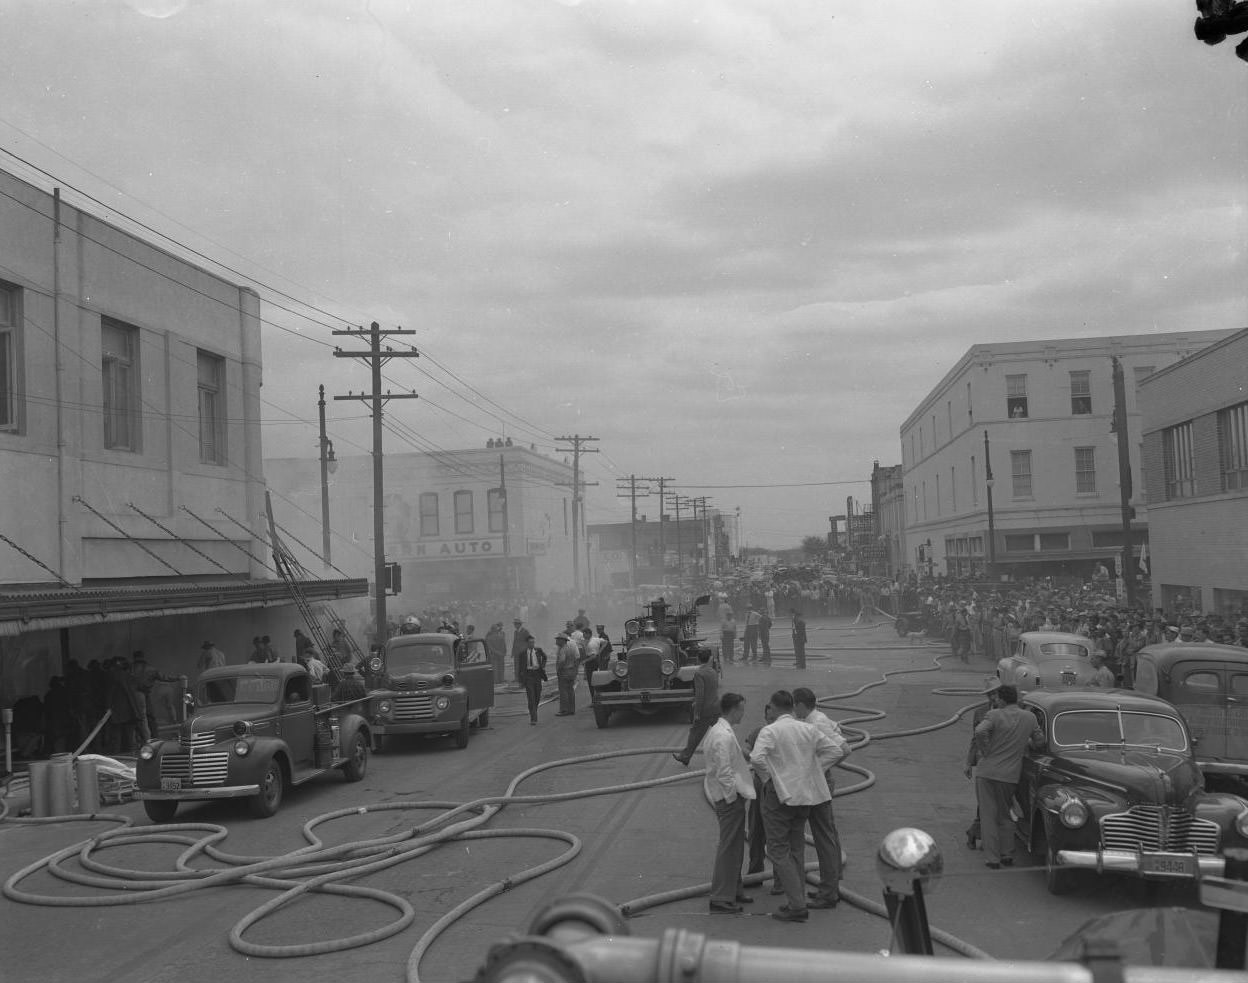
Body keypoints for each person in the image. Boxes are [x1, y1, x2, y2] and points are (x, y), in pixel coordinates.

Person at [750, 690, 847, 922]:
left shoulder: (770, 730)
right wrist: (809, 771)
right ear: (792, 707)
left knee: (777, 849)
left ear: (773, 708)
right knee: (796, 847)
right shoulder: (808, 728)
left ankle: (796, 904)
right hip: (805, 796)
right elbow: (836, 750)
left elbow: (756, 758)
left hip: (781, 795)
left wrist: (769, 780)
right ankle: (799, 898)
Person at [790, 687, 851, 907]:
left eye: (794, 705)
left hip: (819, 783)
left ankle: (829, 892)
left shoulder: (816, 723)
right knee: (827, 834)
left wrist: (816, 769)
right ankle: (830, 883)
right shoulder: (818, 718)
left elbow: (843, 749)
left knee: (823, 835)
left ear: (799, 704)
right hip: (821, 780)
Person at [973, 684, 1044, 869]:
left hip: (987, 772)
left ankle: (993, 859)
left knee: (989, 815)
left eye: (997, 698)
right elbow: (1040, 740)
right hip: (1010, 774)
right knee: (1006, 814)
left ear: (1002, 700)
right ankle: (1007, 854)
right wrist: (1026, 742)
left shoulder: (995, 715)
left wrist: (986, 749)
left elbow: (980, 731)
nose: (995, 701)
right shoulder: (1029, 717)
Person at [703, 692, 756, 914]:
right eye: (742, 709)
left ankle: (734, 889)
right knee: (728, 847)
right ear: (734, 709)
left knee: (734, 847)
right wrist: (733, 799)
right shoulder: (722, 736)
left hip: (729, 796)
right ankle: (721, 897)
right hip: (728, 798)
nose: (743, 714)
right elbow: (724, 772)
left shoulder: (721, 731)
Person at [963, 677, 1002, 850]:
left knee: (998, 802)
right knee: (986, 802)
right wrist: (968, 763)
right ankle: (977, 831)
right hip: (985, 762)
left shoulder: (1009, 711)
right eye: (990, 694)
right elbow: (975, 739)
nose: (993, 697)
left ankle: (981, 832)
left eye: (996, 693)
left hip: (1004, 761)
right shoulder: (980, 712)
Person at [673, 648, 720, 766]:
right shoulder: (713, 671)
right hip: (716, 708)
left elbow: (700, 695)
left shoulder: (699, 673)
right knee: (722, 732)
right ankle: (731, 754)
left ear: (698, 659)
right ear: (710, 658)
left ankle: (685, 756)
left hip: (705, 710)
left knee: (695, 733)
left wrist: (697, 712)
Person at [519, 636, 548, 725]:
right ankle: (533, 718)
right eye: (530, 642)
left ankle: (533, 709)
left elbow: (545, 657)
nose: (532, 644)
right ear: (527, 643)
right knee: (531, 697)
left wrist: (542, 666)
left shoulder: (538, 650)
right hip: (528, 675)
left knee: (537, 695)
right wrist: (521, 681)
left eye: (533, 642)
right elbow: (520, 668)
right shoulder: (523, 653)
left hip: (537, 675)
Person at [554, 632, 580, 716]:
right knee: (570, 690)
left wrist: (558, 669)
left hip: (564, 671)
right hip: (571, 671)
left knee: (563, 691)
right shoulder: (571, 648)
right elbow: (577, 658)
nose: (556, 641)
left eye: (557, 639)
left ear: (562, 640)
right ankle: (571, 709)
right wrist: (575, 670)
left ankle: (564, 710)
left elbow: (561, 661)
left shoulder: (562, 649)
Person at [510, 618, 534, 686]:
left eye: (516, 624)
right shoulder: (515, 632)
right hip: (516, 651)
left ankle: (522, 679)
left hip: (523, 651)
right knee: (516, 665)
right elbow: (514, 642)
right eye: (514, 624)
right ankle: (517, 678)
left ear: (520, 624)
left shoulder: (525, 631)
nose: (515, 625)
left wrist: (528, 650)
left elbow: (529, 640)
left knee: (522, 666)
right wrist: (512, 652)